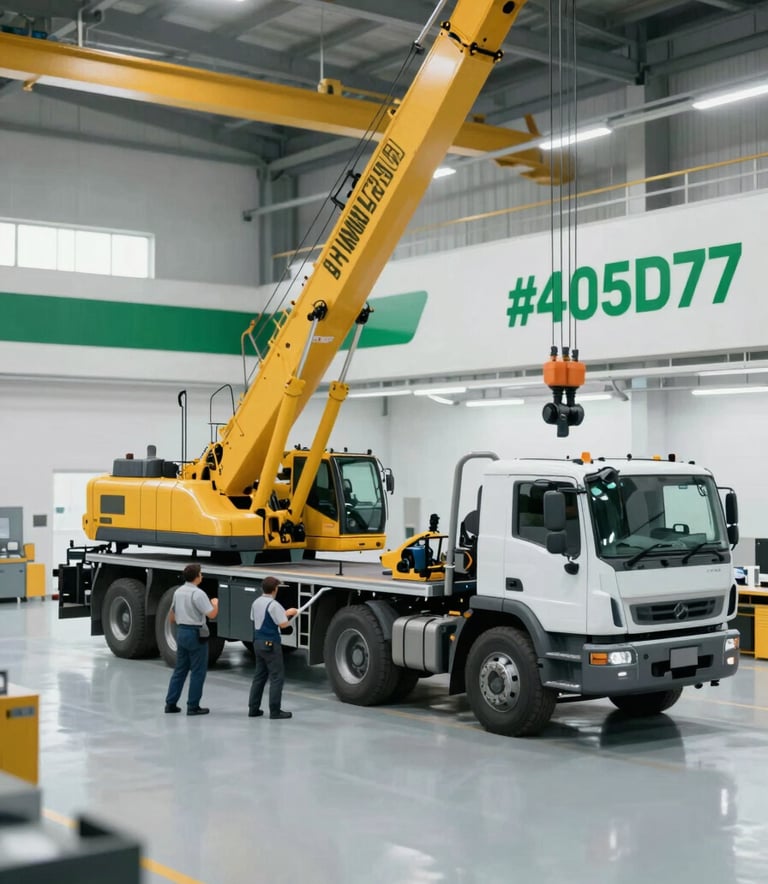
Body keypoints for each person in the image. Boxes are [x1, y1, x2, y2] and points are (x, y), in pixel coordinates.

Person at [164, 563, 218, 716]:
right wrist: (215, 604)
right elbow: (211, 615)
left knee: (180, 669)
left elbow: (172, 616)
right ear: (196, 577)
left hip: (181, 632)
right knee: (198, 671)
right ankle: (193, 706)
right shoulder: (198, 594)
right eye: (201, 574)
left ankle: (171, 703)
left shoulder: (178, 592)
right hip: (195, 633)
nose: (202, 576)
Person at [248, 576, 298, 720]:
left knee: (259, 677)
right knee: (277, 677)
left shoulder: (256, 602)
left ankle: (253, 708)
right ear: (275, 589)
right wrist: (290, 614)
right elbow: (283, 624)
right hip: (270, 644)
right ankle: (275, 711)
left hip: (257, 642)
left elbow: (254, 618)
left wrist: (285, 613)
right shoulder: (274, 604)